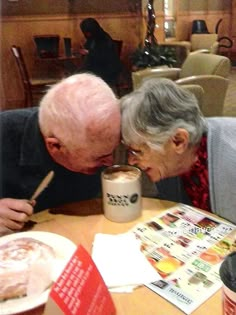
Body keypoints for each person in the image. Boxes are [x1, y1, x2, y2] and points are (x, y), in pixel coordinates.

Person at [0, 73, 120, 236]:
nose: (111, 162)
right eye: (100, 158)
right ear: (55, 146)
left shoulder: (104, 132)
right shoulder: (4, 134)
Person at [120, 77, 236, 224]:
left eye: (138, 151)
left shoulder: (230, 159)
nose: (131, 161)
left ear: (178, 141)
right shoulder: (170, 164)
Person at [78, 18, 122, 86]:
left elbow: (105, 57)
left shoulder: (104, 39)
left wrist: (89, 53)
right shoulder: (92, 38)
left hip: (106, 70)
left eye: (88, 32)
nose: (87, 34)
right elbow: (88, 47)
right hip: (95, 67)